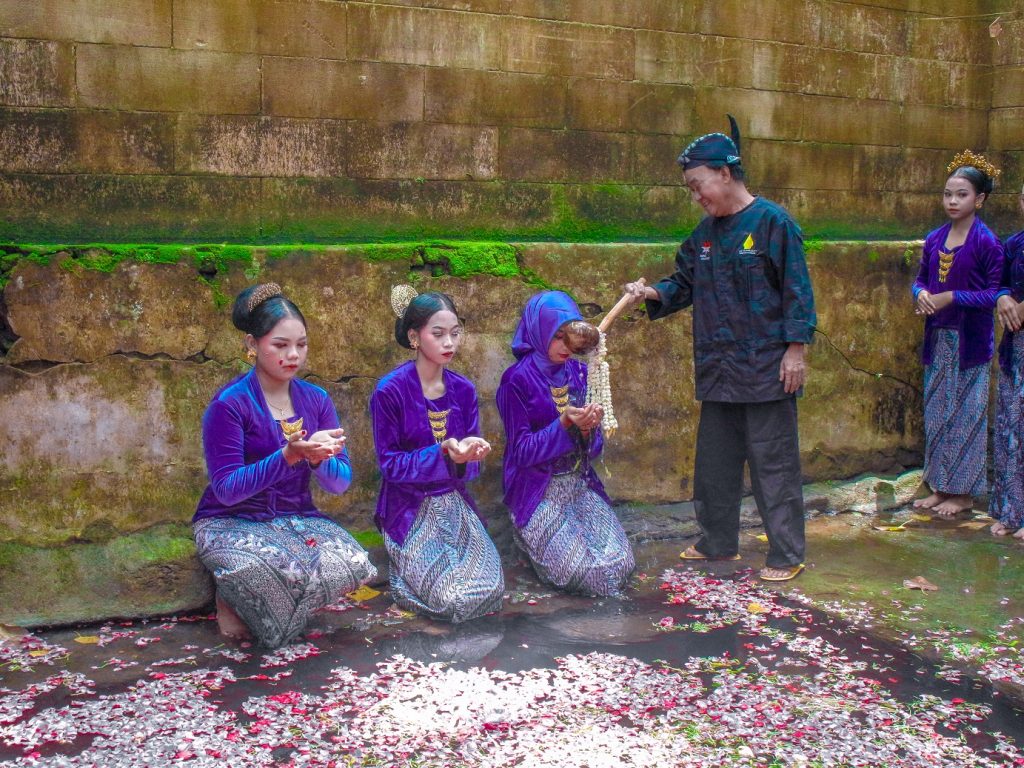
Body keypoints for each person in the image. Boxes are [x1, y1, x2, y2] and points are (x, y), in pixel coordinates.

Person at [623, 115, 816, 582]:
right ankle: (718, 541)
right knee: (714, 464)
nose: (696, 196)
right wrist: (652, 295)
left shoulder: (773, 223)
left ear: (725, 174)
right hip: (719, 369)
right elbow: (684, 282)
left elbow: (797, 291)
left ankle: (786, 554)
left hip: (767, 369)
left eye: (698, 185)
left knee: (773, 464)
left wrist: (796, 350)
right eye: (690, 189)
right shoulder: (704, 235)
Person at [193, 283, 376, 647]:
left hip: (295, 518)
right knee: (264, 569)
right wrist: (287, 457)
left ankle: (272, 613)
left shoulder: (316, 399)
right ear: (251, 345)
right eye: (280, 345)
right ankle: (230, 598)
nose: (293, 355)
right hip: (230, 521)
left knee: (354, 563)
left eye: (301, 344)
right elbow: (227, 489)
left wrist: (320, 459)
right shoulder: (230, 405)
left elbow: (339, 484)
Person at [370, 286, 504, 622]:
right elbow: (389, 465)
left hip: (453, 503)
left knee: (488, 590)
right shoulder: (390, 391)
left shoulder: (464, 390)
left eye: (456, 334)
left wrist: (468, 456)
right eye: (439, 334)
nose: (450, 343)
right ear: (415, 337)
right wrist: (442, 454)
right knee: (451, 600)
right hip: (407, 507)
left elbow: (470, 472)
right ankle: (403, 584)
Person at [496, 291, 635, 596]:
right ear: (537, 332)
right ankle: (527, 540)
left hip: (579, 486)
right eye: (557, 338)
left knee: (619, 564)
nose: (566, 348)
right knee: (588, 574)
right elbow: (521, 453)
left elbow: (594, 450)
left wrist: (587, 430)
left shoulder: (580, 373)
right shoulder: (516, 380)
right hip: (538, 492)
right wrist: (563, 424)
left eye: (570, 338)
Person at [911, 151, 1004, 519]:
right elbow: (920, 279)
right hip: (938, 339)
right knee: (938, 413)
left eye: (961, 194)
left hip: (970, 342)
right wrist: (919, 293)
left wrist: (952, 296)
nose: (952, 201)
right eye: (948, 193)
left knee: (967, 417)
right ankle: (939, 485)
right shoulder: (935, 239)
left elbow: (995, 294)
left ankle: (963, 493)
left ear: (979, 200)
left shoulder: (987, 242)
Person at [990, 182, 1024, 536]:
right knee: (1012, 425)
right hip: (1016, 344)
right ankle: (1012, 511)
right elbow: (999, 282)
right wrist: (1003, 299)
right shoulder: (1014, 243)